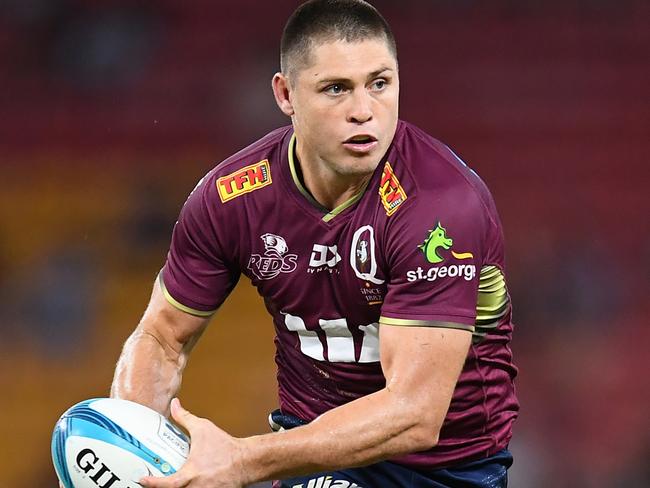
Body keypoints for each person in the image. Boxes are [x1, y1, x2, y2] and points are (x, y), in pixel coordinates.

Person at [110, 1, 519, 487]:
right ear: (286, 94)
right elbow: (161, 338)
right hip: (314, 453)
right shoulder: (229, 198)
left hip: (444, 469)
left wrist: (243, 460)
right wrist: (129, 447)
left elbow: (414, 415)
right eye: (335, 89)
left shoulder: (440, 207)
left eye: (380, 84)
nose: (363, 111)